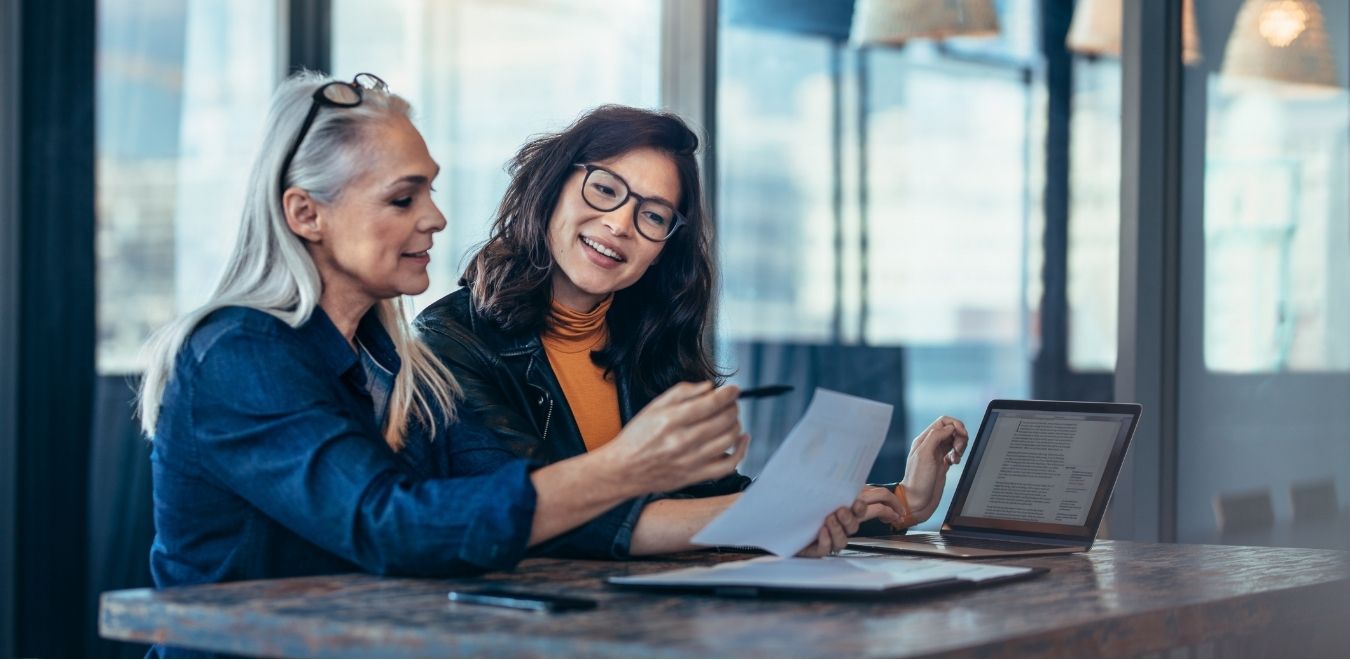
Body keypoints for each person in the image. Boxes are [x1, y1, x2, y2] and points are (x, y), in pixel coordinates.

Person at [137, 72, 865, 631]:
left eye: (431, 192)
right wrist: (628, 466)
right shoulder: (239, 355)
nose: (435, 217)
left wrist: (790, 517)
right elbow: (393, 526)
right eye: (403, 199)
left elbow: (528, 502)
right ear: (307, 213)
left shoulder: (396, 367)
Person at [415, 105, 969, 557]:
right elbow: (538, 514)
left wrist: (902, 500)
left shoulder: (647, 344)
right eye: (605, 189)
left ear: (662, 251)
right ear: (552, 187)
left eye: (653, 216)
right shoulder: (449, 343)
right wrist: (778, 515)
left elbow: (712, 500)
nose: (620, 224)